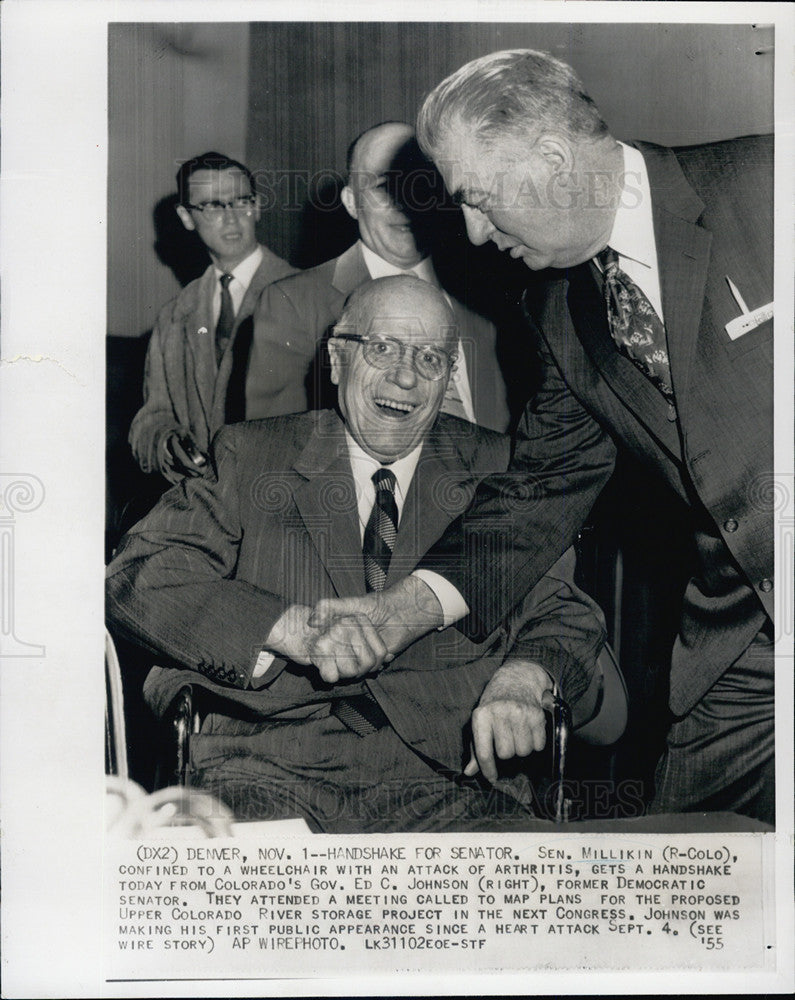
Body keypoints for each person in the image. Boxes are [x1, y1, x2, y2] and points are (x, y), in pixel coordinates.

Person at [308, 50, 775, 825]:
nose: (472, 232)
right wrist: (400, 612)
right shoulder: (559, 309)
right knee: (686, 876)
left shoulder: (766, 184)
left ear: (554, 159)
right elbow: (537, 492)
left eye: (480, 199)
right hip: (743, 643)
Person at [106, 275, 606, 832]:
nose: (405, 376)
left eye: (430, 358)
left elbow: (565, 613)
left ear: (448, 380)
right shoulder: (249, 455)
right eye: (383, 348)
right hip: (265, 765)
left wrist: (524, 676)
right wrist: (290, 629)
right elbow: (138, 576)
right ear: (336, 360)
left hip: (450, 778)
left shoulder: (501, 472)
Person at [244, 121, 511, 432]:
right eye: (385, 187)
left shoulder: (481, 295)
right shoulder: (292, 302)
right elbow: (274, 442)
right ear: (352, 202)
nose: (407, 204)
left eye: (421, 186)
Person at [129, 151, 295, 484]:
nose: (232, 218)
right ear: (186, 217)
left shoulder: (306, 296)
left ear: (257, 205)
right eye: (213, 206)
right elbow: (149, 421)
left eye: (241, 201)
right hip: (202, 506)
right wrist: (168, 444)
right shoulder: (173, 316)